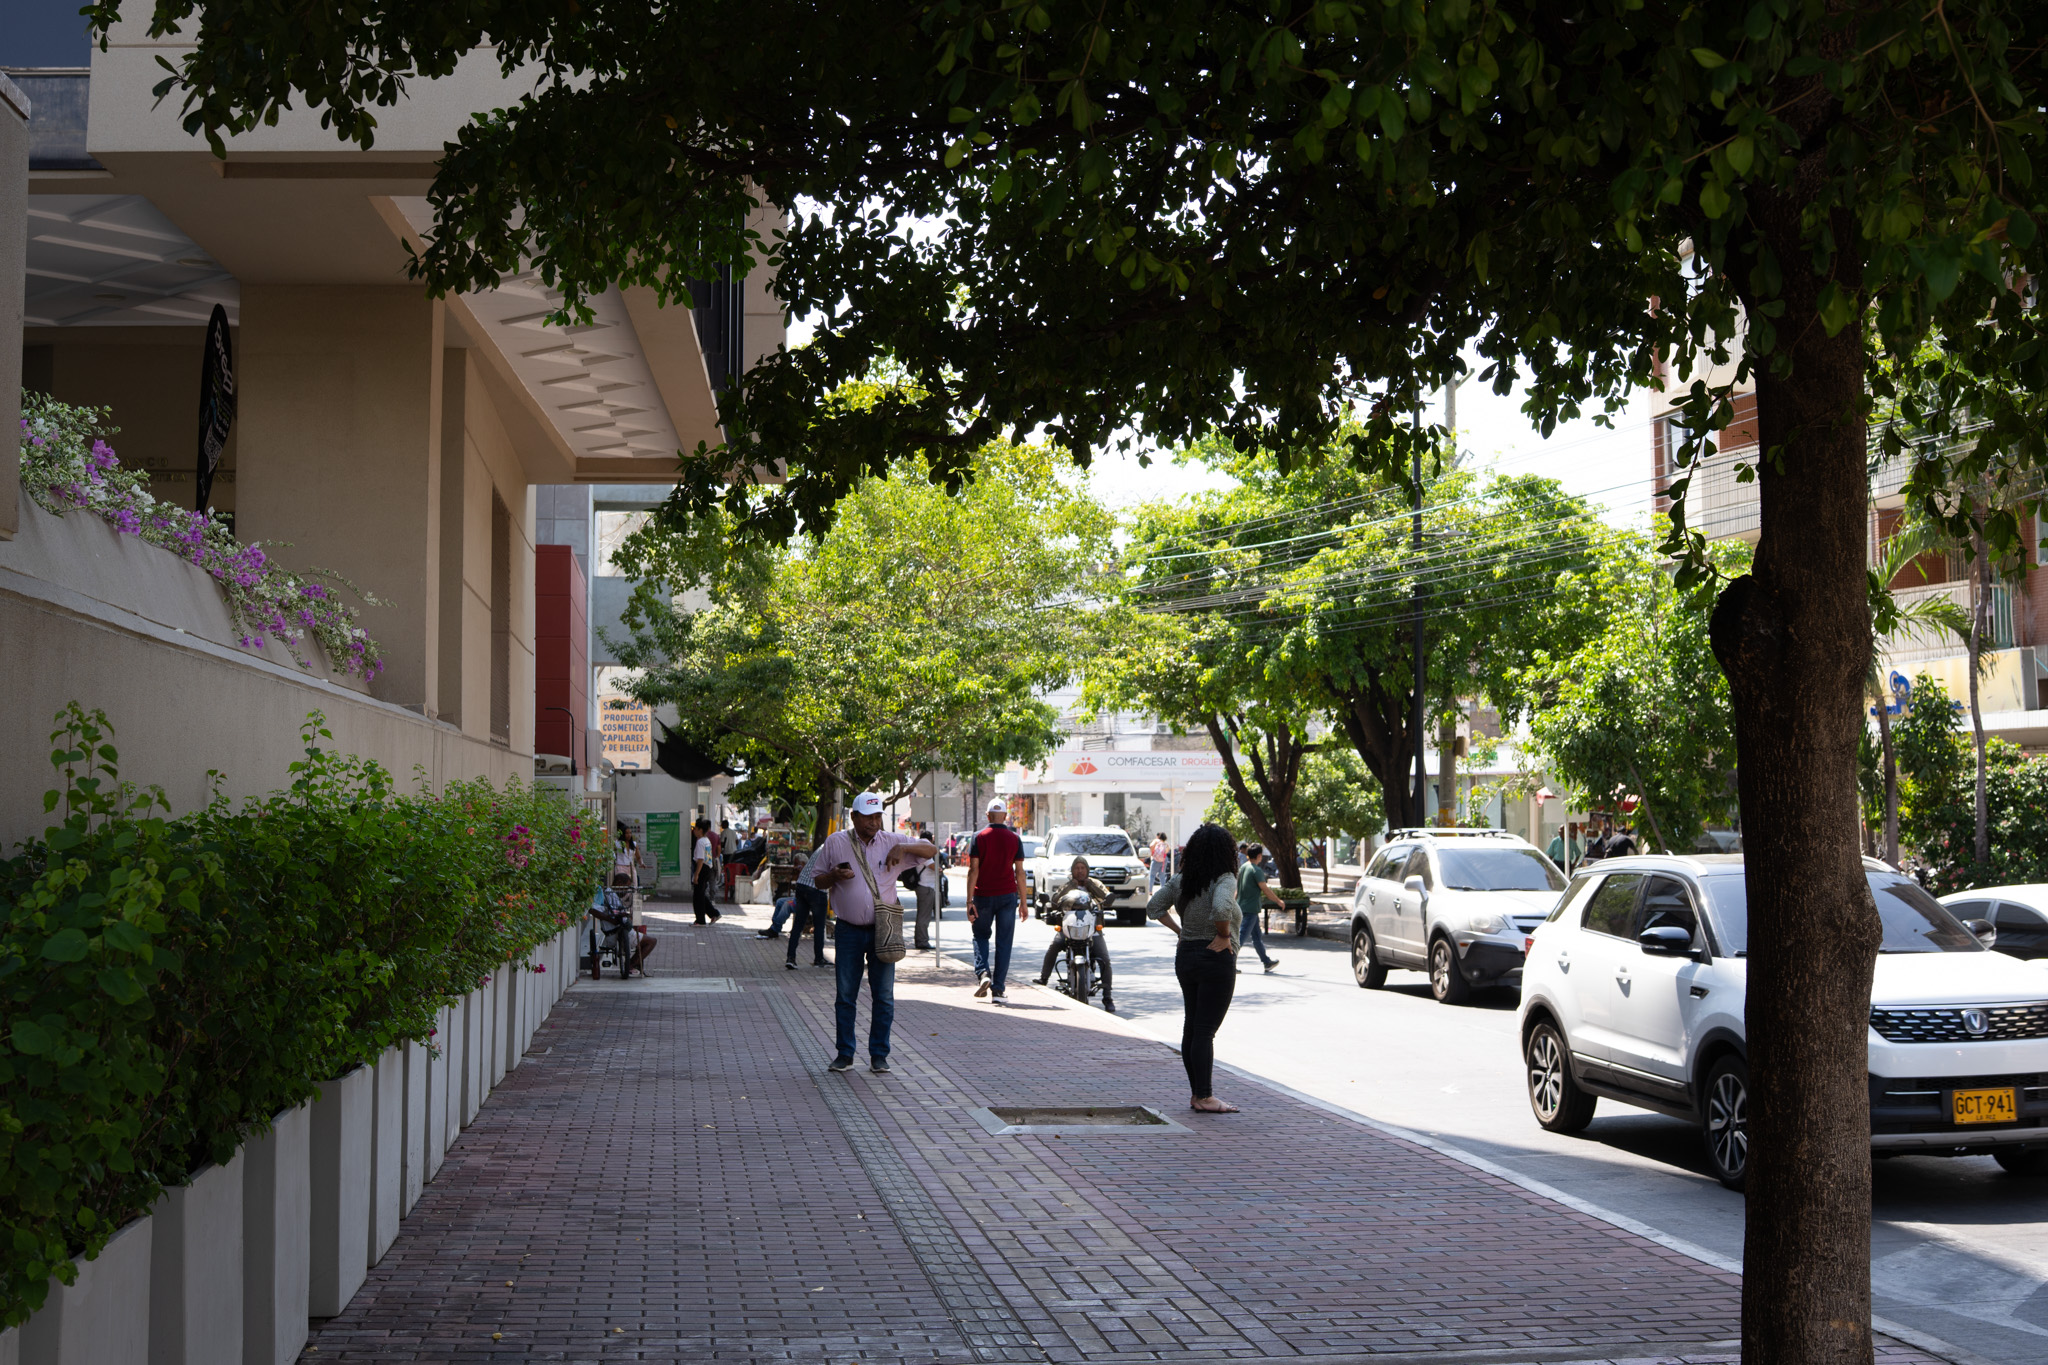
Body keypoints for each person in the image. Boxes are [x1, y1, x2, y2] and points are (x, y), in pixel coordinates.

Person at [811, 792, 936, 1073]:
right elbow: (817, 879)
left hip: (884, 929)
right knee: (845, 996)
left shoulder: (893, 841)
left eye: (878, 815)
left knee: (884, 996)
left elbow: (931, 850)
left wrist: (903, 849)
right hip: (848, 931)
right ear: (854, 817)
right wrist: (834, 877)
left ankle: (879, 1055)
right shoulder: (836, 842)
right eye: (868, 816)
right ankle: (845, 1054)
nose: (874, 822)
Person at [1146, 823, 1243, 1113]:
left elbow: (1154, 907)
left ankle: (1197, 1095)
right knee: (1204, 1031)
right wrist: (1224, 935)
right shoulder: (1225, 878)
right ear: (1226, 852)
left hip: (1186, 956)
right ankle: (1204, 1097)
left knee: (1193, 1027)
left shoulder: (1182, 879)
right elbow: (1222, 909)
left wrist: (1180, 931)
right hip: (1215, 959)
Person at [964, 797, 1028, 1004]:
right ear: (1006, 817)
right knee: (1004, 942)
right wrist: (1024, 902)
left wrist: (969, 900)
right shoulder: (1014, 839)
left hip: (983, 895)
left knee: (980, 935)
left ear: (988, 816)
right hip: (1008, 896)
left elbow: (973, 869)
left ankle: (983, 974)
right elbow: (1020, 872)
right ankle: (998, 990)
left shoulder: (978, 837)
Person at [1033, 856, 1117, 1013]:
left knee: (1104, 958)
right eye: (1077, 868)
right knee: (1055, 945)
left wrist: (1090, 885)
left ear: (1087, 870)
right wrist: (1071, 885)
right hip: (1069, 927)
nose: (1080, 871)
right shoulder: (1067, 884)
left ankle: (1108, 997)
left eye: (1082, 868)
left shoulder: (1095, 883)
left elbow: (1107, 899)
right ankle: (1043, 978)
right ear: (1072, 871)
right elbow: (1056, 901)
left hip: (1092, 929)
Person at [1235, 842, 1284, 974]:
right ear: (1259, 856)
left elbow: (1237, 888)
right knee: (1241, 937)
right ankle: (1228, 962)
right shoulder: (1256, 870)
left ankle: (1266, 961)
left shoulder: (1244, 867)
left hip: (1244, 907)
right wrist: (1278, 901)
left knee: (1257, 937)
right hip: (1250, 909)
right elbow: (1265, 889)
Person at [691, 818, 721, 924]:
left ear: (700, 830)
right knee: (701, 894)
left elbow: (700, 859)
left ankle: (700, 920)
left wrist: (696, 875)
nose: (694, 831)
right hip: (708, 868)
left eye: (695, 829)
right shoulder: (706, 840)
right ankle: (714, 913)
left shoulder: (700, 842)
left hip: (702, 868)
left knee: (697, 896)